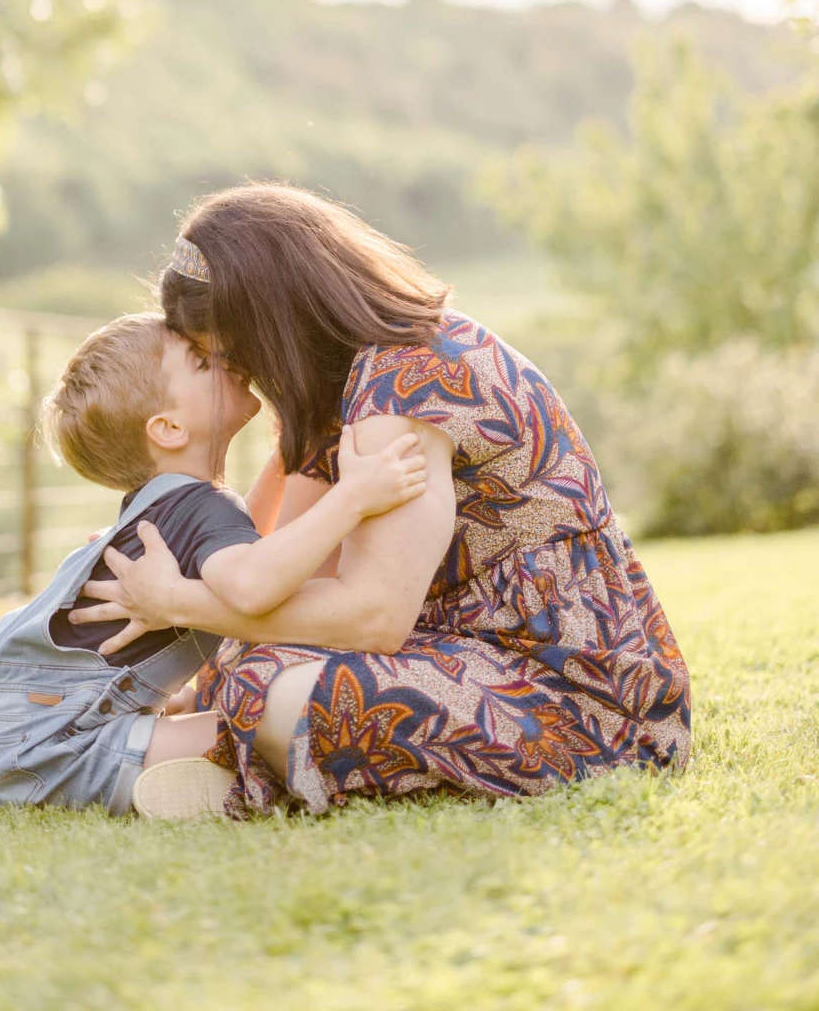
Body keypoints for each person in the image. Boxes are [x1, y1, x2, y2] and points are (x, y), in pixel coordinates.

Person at [71, 185, 692, 817]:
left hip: (579, 695)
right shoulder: (336, 395)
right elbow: (287, 575)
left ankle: (206, 773)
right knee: (247, 669)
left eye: (230, 352)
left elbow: (373, 616)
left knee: (283, 693)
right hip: (471, 651)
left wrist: (175, 602)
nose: (237, 373)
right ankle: (236, 763)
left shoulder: (405, 380)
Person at [0, 310, 427, 817]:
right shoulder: (195, 509)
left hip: (8, 733)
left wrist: (288, 455)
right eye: (202, 362)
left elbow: (250, 544)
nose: (225, 359)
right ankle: (215, 778)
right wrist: (355, 496)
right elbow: (251, 583)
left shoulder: (167, 506)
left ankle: (178, 761)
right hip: (49, 746)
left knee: (246, 716)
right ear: (170, 428)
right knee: (275, 725)